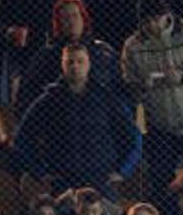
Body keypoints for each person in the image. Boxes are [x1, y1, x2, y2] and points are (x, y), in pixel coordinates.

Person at [13, 43, 141, 194]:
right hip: (62, 184)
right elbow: (22, 139)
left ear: (89, 64)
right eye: (70, 62)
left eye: (80, 61)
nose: (75, 66)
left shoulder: (107, 99)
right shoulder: (48, 101)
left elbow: (133, 136)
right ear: (62, 65)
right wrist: (40, 173)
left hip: (101, 183)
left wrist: (123, 171)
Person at [120, 0, 183, 182]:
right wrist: (142, 85)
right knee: (160, 181)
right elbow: (129, 81)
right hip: (160, 127)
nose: (152, 25)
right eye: (146, 21)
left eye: (156, 19)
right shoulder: (133, 46)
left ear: (167, 15)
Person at [16, 0, 118, 114]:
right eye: (65, 18)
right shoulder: (46, 57)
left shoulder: (103, 52)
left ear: (83, 19)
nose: (71, 22)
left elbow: (119, 89)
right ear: (58, 23)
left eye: (75, 16)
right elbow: (27, 95)